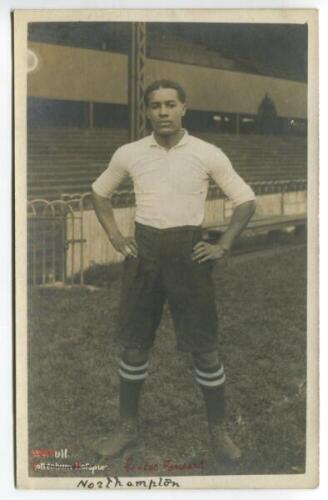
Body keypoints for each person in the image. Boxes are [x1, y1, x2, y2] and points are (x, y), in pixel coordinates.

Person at [91, 79, 256, 464]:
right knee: (133, 345)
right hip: (144, 256)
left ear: (184, 108)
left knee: (205, 349)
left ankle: (218, 431)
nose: (163, 112)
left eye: (170, 104)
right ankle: (127, 429)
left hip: (189, 258)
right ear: (146, 111)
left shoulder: (206, 152)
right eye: (155, 105)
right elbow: (99, 193)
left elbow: (245, 201)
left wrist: (224, 244)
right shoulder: (129, 153)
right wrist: (116, 236)